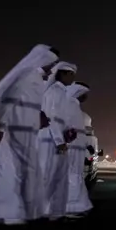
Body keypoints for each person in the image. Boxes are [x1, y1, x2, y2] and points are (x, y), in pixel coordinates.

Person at [0, 44, 59, 224]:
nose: (53, 69)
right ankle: (23, 212)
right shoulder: (27, 77)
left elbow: (28, 106)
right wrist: (0, 128)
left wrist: (39, 117)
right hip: (17, 132)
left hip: (26, 132)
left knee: (12, 171)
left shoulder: (36, 79)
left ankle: (6, 212)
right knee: (25, 170)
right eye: (52, 63)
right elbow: (8, 101)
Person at [37, 62, 76, 219]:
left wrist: (69, 132)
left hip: (58, 140)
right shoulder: (54, 92)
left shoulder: (62, 93)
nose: (73, 78)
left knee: (58, 177)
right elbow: (51, 118)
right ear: (64, 74)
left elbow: (63, 120)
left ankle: (55, 212)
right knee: (48, 176)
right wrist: (59, 140)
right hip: (50, 140)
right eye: (71, 74)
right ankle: (41, 211)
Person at [65, 82, 94, 216]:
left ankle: (75, 207)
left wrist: (87, 146)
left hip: (78, 150)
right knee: (71, 177)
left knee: (76, 177)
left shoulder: (80, 113)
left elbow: (83, 133)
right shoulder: (67, 108)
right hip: (70, 149)